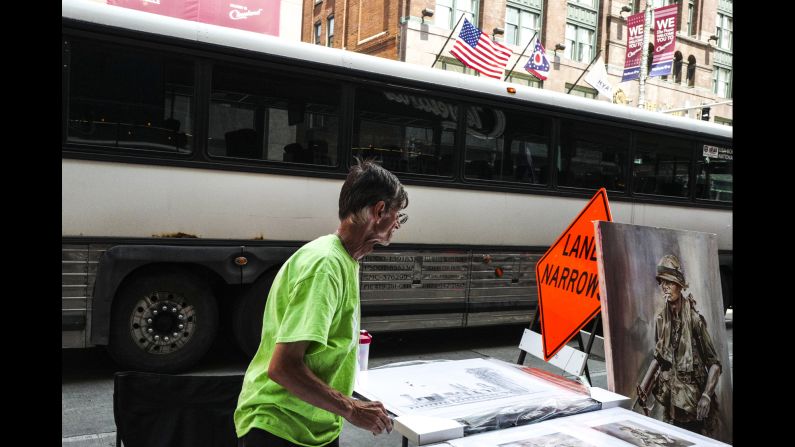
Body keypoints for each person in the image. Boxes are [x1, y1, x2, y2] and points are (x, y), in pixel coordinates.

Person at [234, 159, 407, 446]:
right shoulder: (325, 265)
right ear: (379, 211)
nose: (398, 224)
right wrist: (351, 408)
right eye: (398, 215)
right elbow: (283, 368)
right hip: (280, 428)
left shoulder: (345, 259)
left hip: (315, 426)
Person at [636, 254, 722, 437]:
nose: (664, 287)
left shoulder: (695, 320)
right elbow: (658, 358)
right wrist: (644, 387)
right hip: (671, 403)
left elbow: (714, 363)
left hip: (695, 406)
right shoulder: (661, 320)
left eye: (669, 282)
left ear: (680, 285)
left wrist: (707, 395)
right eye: (662, 282)